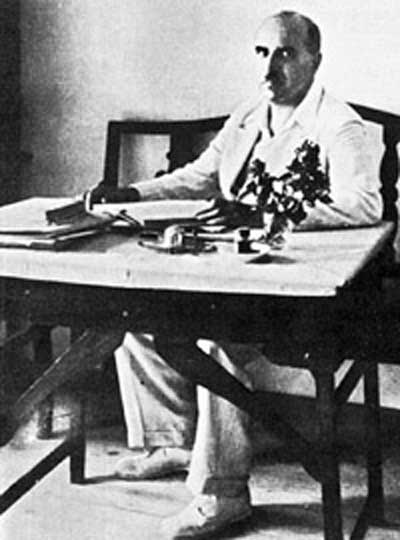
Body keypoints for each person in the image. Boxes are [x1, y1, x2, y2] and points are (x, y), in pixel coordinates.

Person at [88, 10, 382, 539]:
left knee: (214, 340)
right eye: (263, 53)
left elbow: (364, 204)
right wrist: (132, 193)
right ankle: (173, 441)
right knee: (135, 314)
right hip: (229, 267)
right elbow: (200, 177)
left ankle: (223, 492)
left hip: (300, 284)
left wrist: (266, 215)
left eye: (286, 54)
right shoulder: (249, 115)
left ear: (315, 60)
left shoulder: (339, 124)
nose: (270, 68)